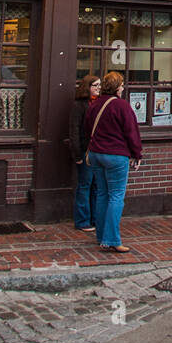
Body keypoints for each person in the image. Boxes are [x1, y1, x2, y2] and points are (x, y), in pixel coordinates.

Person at [85, 71, 142, 253]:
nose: (123, 88)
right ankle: (111, 239)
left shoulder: (94, 105)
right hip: (116, 155)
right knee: (116, 196)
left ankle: (101, 236)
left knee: (102, 194)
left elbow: (87, 128)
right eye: (122, 85)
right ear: (117, 87)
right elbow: (131, 132)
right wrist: (137, 154)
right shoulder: (122, 106)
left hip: (96, 153)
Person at [68, 74, 101, 232]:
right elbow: (74, 129)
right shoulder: (79, 105)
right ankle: (82, 220)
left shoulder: (100, 104)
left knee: (96, 185)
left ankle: (95, 218)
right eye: (95, 85)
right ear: (87, 87)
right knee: (85, 185)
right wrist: (77, 154)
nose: (98, 88)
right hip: (84, 150)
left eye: (100, 85)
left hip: (97, 151)